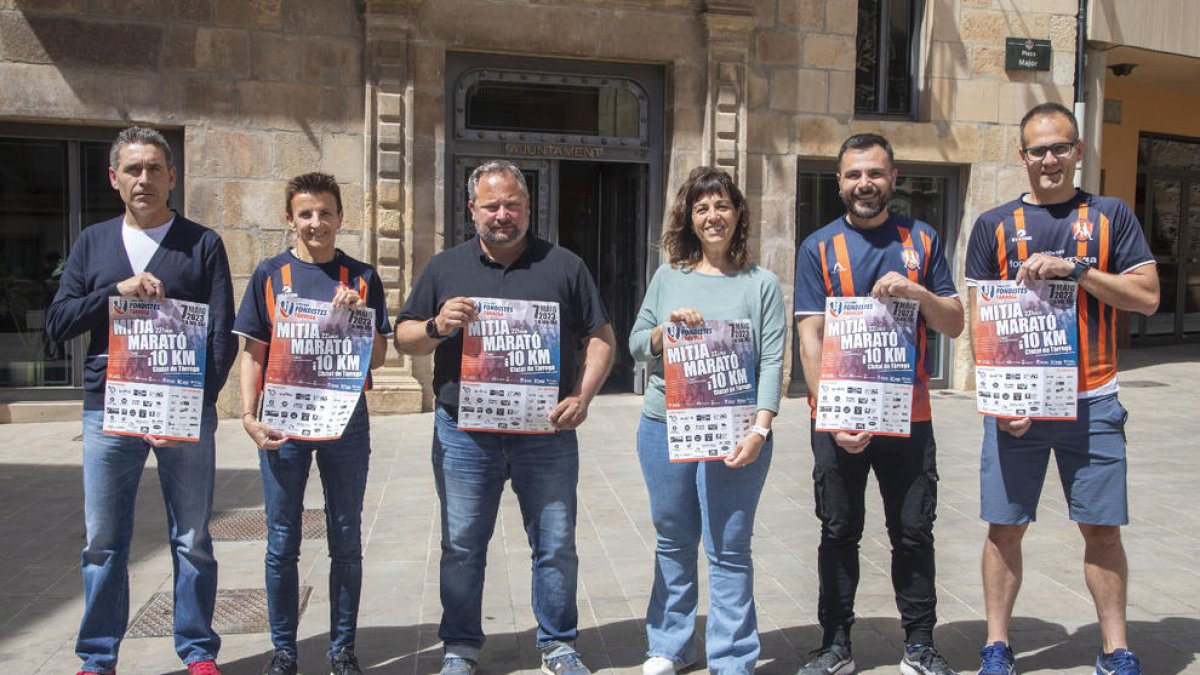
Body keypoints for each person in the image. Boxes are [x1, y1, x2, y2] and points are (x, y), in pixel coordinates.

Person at [394, 160, 616, 675]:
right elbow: (403, 335)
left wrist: (581, 397)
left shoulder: (564, 266)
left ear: (528, 208)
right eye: (491, 205)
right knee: (463, 545)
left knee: (556, 544)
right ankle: (460, 647)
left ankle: (558, 644)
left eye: (512, 204)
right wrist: (436, 324)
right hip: (465, 434)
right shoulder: (445, 267)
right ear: (472, 209)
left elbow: (601, 337)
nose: (502, 214)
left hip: (546, 432)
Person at [965, 103, 1159, 675]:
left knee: (1101, 530)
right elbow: (983, 323)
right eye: (1037, 150)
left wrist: (1077, 270)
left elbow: (1146, 296)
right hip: (1019, 405)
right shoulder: (993, 226)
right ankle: (997, 646)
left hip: (1093, 399)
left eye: (1060, 147)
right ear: (1022, 156)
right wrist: (999, 401)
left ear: (1077, 151)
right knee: (1005, 529)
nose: (1049, 160)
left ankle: (1116, 649)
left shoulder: (1110, 216)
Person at [45, 126, 236, 675]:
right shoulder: (93, 243)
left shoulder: (201, 243)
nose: (144, 178)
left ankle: (198, 651)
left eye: (155, 168)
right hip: (109, 410)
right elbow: (58, 321)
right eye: (133, 169)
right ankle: (98, 657)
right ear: (114, 178)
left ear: (173, 176)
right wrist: (114, 293)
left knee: (194, 537)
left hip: (182, 412)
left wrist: (191, 406)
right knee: (103, 540)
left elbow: (220, 334)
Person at [793, 133, 964, 675]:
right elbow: (811, 337)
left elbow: (955, 324)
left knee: (913, 531)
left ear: (893, 177)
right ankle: (835, 643)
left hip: (908, 418)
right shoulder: (818, 247)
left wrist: (919, 294)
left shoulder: (925, 240)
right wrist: (830, 416)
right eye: (853, 174)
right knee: (838, 532)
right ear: (839, 181)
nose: (864, 183)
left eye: (874, 173)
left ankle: (919, 644)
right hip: (840, 421)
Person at [628, 167, 785, 675]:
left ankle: (733, 655)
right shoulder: (668, 276)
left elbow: (772, 363)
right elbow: (636, 344)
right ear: (689, 219)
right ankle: (669, 645)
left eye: (721, 206)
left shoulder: (761, 284)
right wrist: (663, 333)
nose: (712, 216)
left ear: (737, 214)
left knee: (730, 545)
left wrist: (761, 430)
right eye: (701, 208)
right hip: (665, 424)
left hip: (737, 431)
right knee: (673, 538)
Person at [234, 173, 392, 675]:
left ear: (341, 217)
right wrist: (247, 415)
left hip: (345, 421)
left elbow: (381, 356)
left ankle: (342, 649)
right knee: (282, 538)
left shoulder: (362, 277)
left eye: (325, 212)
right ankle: (284, 649)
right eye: (305, 213)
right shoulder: (269, 275)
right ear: (290, 219)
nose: (316, 223)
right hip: (283, 420)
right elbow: (253, 354)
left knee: (345, 535)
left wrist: (361, 315)